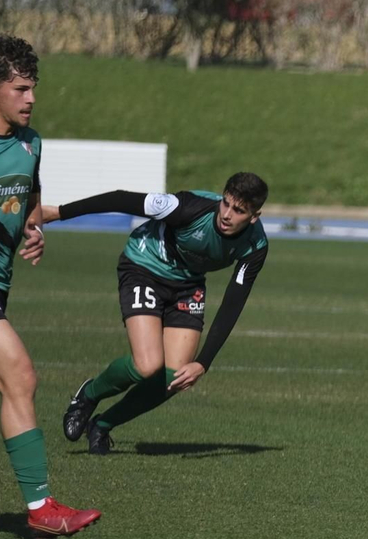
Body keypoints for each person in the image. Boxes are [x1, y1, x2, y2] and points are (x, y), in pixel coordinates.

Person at [41, 173, 270, 455]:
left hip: (188, 285)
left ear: (254, 216)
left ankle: (102, 425)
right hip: (144, 267)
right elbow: (120, 198)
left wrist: (204, 363)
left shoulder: (256, 247)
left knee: (176, 376)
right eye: (225, 203)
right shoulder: (188, 206)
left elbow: (233, 303)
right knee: (147, 365)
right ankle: (88, 395)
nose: (226, 214)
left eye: (238, 211)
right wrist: (58, 212)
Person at [0, 34, 100, 539]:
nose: (30, 99)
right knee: (20, 375)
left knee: (16, 381)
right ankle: (41, 508)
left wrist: (32, 231)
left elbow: (29, 202)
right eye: (19, 89)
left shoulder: (31, 144)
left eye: (33, 88)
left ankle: (40, 508)